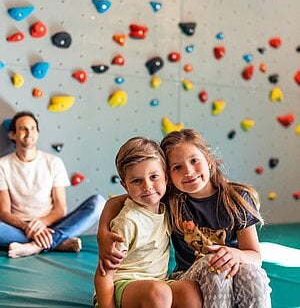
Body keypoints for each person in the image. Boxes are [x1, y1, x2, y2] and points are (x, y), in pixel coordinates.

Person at [97, 129, 271, 308]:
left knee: (253, 274)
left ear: (209, 161)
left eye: (194, 161)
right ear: (169, 176)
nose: (188, 172)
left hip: (231, 270)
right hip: (190, 276)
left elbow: (255, 256)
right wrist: (103, 233)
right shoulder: (172, 198)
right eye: (177, 167)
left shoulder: (236, 198)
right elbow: (116, 202)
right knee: (215, 264)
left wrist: (236, 254)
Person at [94, 136, 202, 308]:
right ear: (125, 186)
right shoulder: (128, 221)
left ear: (166, 178)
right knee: (159, 292)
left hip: (159, 284)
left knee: (191, 291)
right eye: (136, 181)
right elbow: (104, 274)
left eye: (154, 177)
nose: (147, 186)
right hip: (121, 287)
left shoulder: (167, 205)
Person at [0, 111, 105, 258]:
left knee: (99, 203)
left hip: (52, 224)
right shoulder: (2, 165)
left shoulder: (54, 162)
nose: (29, 133)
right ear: (13, 135)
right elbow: (4, 213)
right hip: (20, 228)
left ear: (38, 133)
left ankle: (35, 246)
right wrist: (29, 227)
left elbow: (60, 209)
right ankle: (58, 243)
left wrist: (42, 223)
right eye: (23, 128)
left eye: (33, 128)